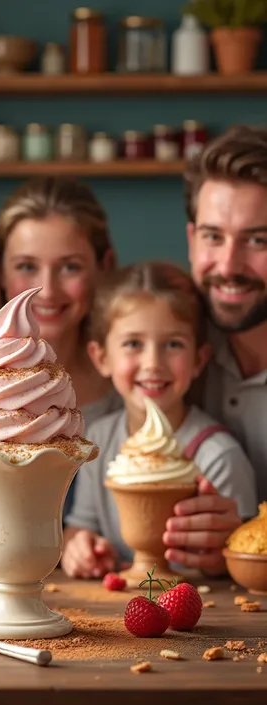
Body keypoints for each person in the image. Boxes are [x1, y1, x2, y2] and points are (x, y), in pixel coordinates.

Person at [62, 261, 257, 579]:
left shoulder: (218, 457)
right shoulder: (96, 441)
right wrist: (81, 548)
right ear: (101, 357)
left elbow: (247, 557)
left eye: (173, 344)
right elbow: (79, 527)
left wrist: (221, 556)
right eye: (133, 344)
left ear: (199, 359)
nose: (153, 363)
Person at [0, 176, 122, 516]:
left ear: (102, 267)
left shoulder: (129, 385)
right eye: (27, 266)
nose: (46, 289)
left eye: (70, 267)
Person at [163, 124, 267, 574]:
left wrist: (244, 537)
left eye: (258, 239)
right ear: (190, 239)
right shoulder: (175, 349)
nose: (228, 266)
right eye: (213, 236)